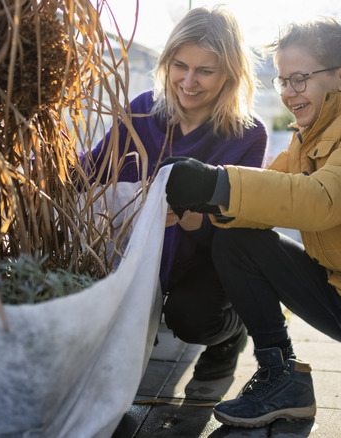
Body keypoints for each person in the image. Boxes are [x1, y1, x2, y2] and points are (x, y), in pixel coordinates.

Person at [162, 17, 341, 437]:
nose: (287, 93)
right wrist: (200, 203)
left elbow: (321, 200)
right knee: (237, 239)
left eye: (299, 80)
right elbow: (261, 200)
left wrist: (215, 181)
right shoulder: (308, 134)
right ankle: (282, 376)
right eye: (283, 81)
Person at [84, 7, 267, 380]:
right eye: (179, 65)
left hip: (204, 261)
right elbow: (91, 169)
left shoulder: (248, 134)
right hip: (138, 256)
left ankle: (232, 336)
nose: (188, 81)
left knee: (193, 319)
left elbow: (237, 229)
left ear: (229, 74)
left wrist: (186, 214)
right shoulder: (141, 113)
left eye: (205, 71)